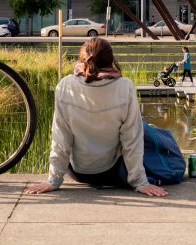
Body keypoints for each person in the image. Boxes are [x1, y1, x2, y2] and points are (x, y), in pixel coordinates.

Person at [25, 38, 167, 197]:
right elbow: (131, 139)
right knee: (143, 128)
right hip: (112, 171)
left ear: (81, 60)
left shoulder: (65, 85)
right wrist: (140, 182)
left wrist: (53, 180)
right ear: (111, 60)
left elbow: (61, 137)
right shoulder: (125, 86)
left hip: (77, 173)